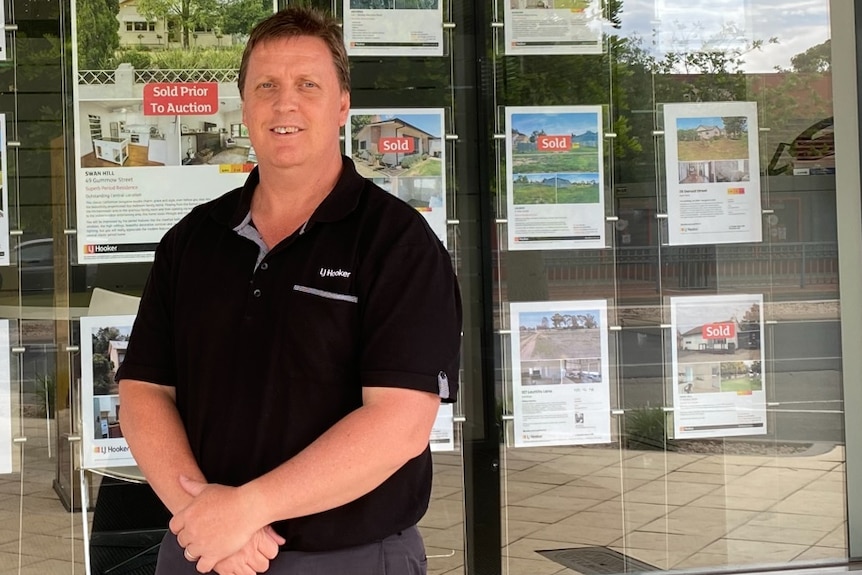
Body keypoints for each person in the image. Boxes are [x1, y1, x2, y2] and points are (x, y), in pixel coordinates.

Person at [116, 6, 462, 575]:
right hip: (200, 549)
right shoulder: (194, 239)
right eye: (267, 86)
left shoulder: (397, 244)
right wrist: (205, 518)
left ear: (343, 104)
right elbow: (144, 392)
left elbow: (400, 423)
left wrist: (247, 509)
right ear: (245, 105)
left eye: (308, 85)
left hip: (347, 558)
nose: (285, 104)